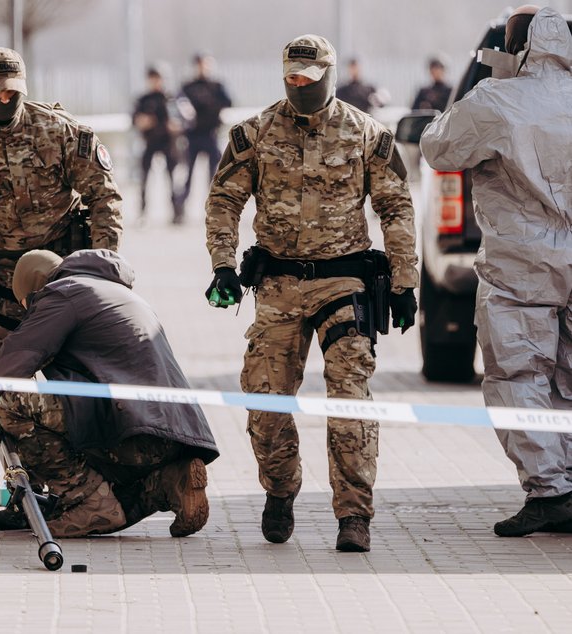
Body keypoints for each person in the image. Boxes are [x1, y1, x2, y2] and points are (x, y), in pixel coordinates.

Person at [204, 34, 418, 552]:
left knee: (349, 396)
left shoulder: (366, 133)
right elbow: (223, 202)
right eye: (292, 76)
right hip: (277, 283)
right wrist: (223, 267)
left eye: (309, 76)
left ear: (329, 74)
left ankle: (353, 515)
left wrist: (406, 281)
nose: (299, 84)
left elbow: (396, 208)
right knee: (265, 399)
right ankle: (281, 490)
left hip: (344, 282)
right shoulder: (254, 133)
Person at [420, 5, 572, 537]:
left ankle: (551, 492)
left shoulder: (496, 101)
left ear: (518, 48)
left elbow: (438, 148)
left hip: (521, 267)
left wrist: (490, 83)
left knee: (519, 375)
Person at [0, 249, 219, 537]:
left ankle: (87, 500)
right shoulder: (118, 293)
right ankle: (170, 480)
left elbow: (14, 359)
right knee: (117, 499)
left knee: (9, 401)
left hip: (130, 431)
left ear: (36, 288)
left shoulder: (62, 294)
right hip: (172, 436)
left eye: (28, 305)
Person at [0, 48, 123, 351]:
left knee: (79, 370)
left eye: (12, 92)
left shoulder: (59, 131)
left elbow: (104, 197)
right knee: (12, 375)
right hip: (7, 282)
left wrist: (104, 269)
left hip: (68, 267)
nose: (5, 99)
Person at [178, 52, 232, 212]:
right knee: (188, 175)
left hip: (211, 134)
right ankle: (179, 209)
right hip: (193, 136)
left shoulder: (216, 86)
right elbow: (180, 106)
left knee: (214, 175)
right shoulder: (188, 87)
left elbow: (228, 102)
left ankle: (215, 207)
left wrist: (206, 105)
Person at [133, 67, 183, 223]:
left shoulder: (171, 99)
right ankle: (142, 212)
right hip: (150, 142)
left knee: (173, 178)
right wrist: (142, 122)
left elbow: (184, 119)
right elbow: (135, 120)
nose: (155, 82)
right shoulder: (143, 99)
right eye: (152, 78)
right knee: (144, 179)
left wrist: (176, 125)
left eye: (158, 78)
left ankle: (177, 212)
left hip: (168, 143)